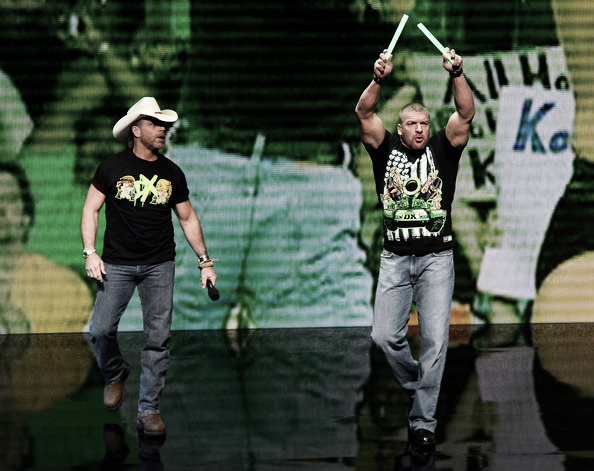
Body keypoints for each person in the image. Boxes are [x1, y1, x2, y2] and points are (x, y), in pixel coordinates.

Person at [355, 47, 475, 447]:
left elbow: (466, 114)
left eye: (424, 122)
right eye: (412, 123)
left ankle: (423, 421)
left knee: (437, 341)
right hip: (394, 259)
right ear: (400, 128)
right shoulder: (384, 148)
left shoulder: (444, 148)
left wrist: (457, 74)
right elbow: (364, 113)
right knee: (384, 338)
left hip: (436, 260)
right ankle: (419, 385)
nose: (420, 129)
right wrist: (378, 79)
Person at [81, 97, 217, 437]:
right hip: (116, 263)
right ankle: (115, 373)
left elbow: (187, 218)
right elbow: (90, 209)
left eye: (164, 125)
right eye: (155, 124)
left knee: (158, 339)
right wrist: (90, 252)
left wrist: (204, 261)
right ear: (136, 130)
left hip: (159, 264)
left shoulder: (172, 172)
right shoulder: (111, 167)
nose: (162, 130)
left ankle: (149, 409)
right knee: (100, 330)